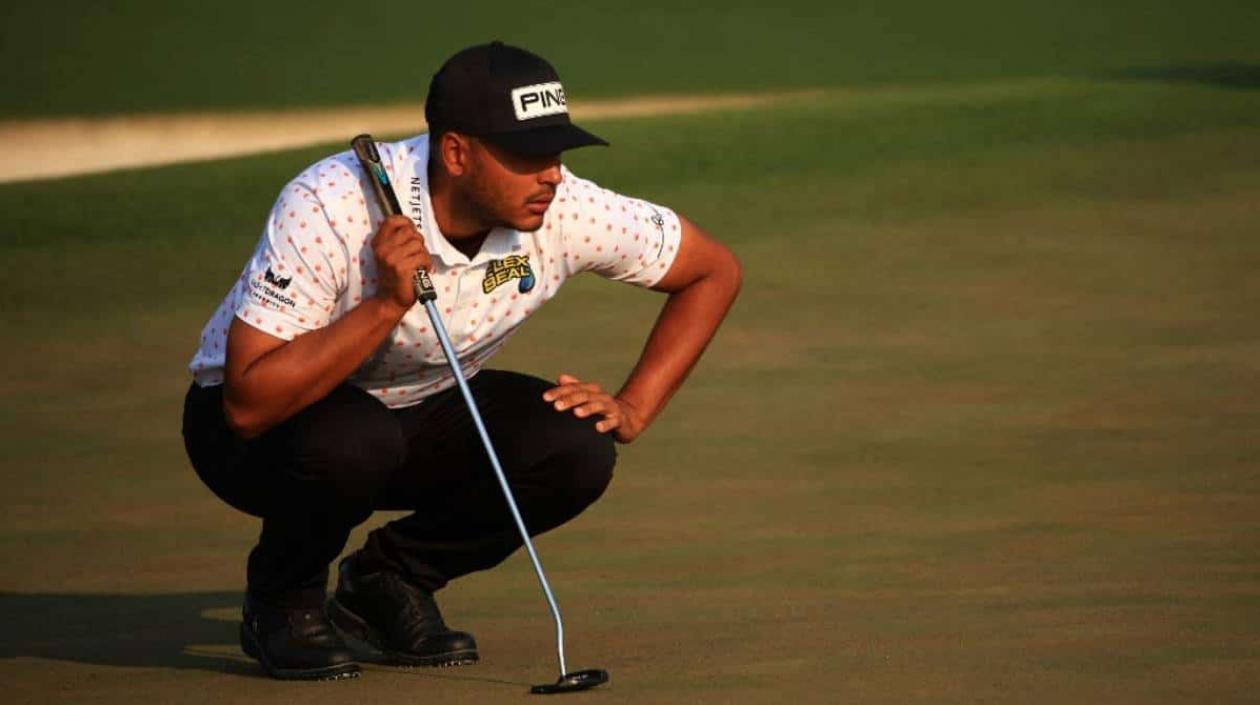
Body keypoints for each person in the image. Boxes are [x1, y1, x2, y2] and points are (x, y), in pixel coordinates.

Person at [180, 41, 742, 681]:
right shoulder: (332, 204)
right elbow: (249, 405)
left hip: (419, 410)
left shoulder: (566, 208)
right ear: (456, 153)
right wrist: (387, 306)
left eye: (556, 154)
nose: (552, 175)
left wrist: (636, 405)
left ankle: (387, 581)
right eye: (529, 158)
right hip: (261, 435)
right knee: (354, 441)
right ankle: (283, 602)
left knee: (578, 446)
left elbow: (712, 271)